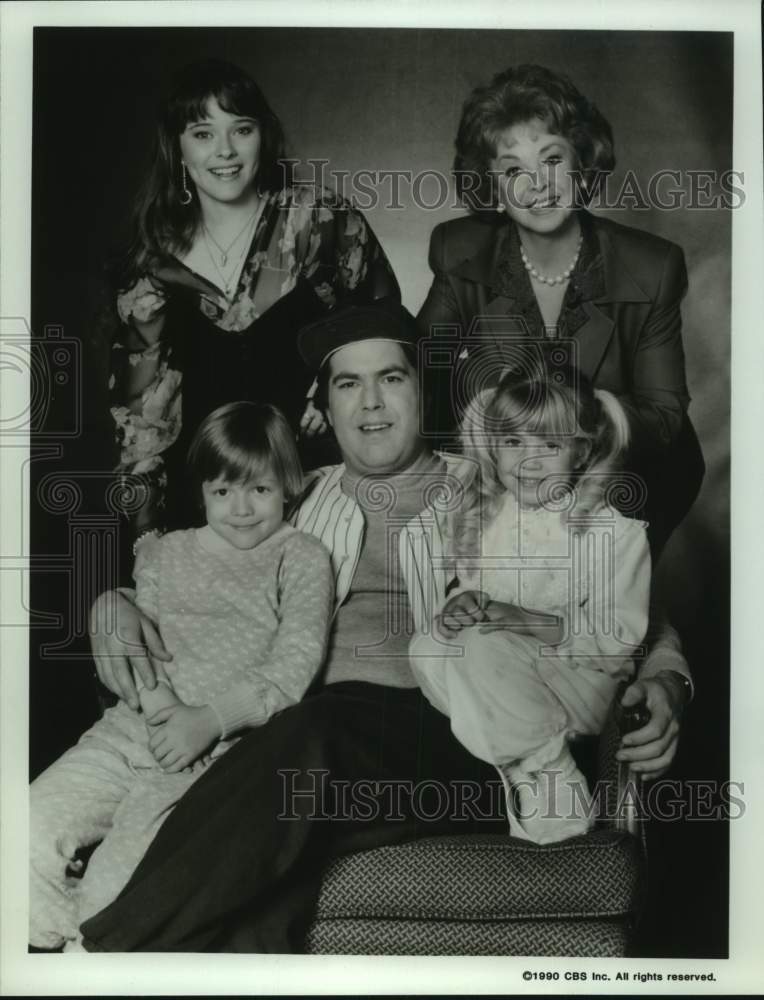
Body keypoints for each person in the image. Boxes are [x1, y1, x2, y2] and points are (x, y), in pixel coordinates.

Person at [79, 304, 692, 952]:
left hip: (455, 735)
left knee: (312, 739)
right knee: (279, 852)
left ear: (419, 389)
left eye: (391, 379)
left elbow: (625, 611)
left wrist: (669, 681)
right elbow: (197, 574)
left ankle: (107, 955)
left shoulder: (492, 485)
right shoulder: (286, 495)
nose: (371, 403)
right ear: (324, 402)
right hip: (308, 750)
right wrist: (113, 602)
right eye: (349, 384)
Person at [29, 401, 334, 951]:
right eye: (223, 492)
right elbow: (137, 640)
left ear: (289, 485)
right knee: (24, 830)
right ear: (202, 493)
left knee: (113, 895)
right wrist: (163, 707)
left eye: (258, 490)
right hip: (130, 733)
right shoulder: (165, 553)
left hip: (210, 760)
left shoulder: (302, 556)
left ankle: (86, 959)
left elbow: (296, 662)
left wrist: (208, 721)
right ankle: (53, 956)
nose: (240, 509)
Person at [106, 57, 399, 545]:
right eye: (202, 134)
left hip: (317, 496)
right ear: (176, 148)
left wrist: (329, 389)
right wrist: (150, 548)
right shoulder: (151, 266)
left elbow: (383, 329)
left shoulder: (318, 222)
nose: (224, 150)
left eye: (240, 129)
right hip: (203, 511)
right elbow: (141, 428)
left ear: (263, 134)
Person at [417, 63, 704, 557]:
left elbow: (663, 418)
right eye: (513, 170)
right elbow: (421, 365)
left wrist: (565, 421)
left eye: (551, 159)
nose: (537, 185)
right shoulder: (458, 252)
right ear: (490, 184)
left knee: (595, 618)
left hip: (621, 483)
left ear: (581, 161)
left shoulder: (652, 265)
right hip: (506, 488)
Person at [410, 363, 651, 843]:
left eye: (550, 446)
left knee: (479, 648)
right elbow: (474, 589)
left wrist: (525, 619)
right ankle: (521, 761)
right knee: (428, 645)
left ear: (581, 453)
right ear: (493, 449)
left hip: (581, 680)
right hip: (507, 676)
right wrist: (463, 604)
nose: (529, 461)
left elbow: (617, 642)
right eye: (514, 443)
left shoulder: (612, 533)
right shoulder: (487, 516)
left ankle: (550, 772)